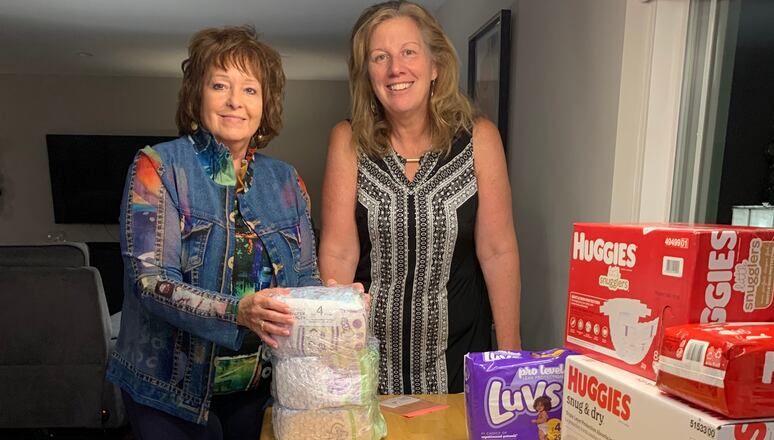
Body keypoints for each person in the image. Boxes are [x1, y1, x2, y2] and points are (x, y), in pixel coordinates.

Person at [106, 25, 321, 440]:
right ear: (197, 95)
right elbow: (151, 283)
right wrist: (236, 312)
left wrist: (337, 302)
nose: (234, 101)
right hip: (169, 391)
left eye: (250, 89)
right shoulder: (158, 166)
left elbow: (306, 279)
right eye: (220, 85)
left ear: (265, 103)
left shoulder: (286, 180)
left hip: (256, 388)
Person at [319, 0, 521, 395]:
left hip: (459, 360)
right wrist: (334, 360)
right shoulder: (347, 141)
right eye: (380, 57)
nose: (396, 68)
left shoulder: (480, 138)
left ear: (435, 66)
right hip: (368, 362)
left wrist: (510, 355)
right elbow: (340, 252)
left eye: (409, 52)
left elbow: (498, 251)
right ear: (368, 75)